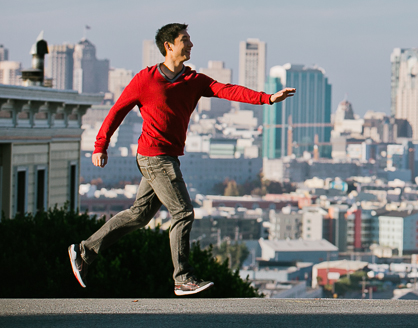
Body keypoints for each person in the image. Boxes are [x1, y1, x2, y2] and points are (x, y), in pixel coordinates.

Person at [68, 23, 296, 296]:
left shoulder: (194, 81)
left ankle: (84, 250)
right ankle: (183, 278)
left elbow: (228, 90)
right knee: (183, 212)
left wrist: (268, 98)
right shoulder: (145, 79)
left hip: (167, 158)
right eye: (185, 40)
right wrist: (100, 145)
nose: (190, 45)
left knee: (139, 216)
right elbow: (117, 111)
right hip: (154, 157)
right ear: (169, 46)